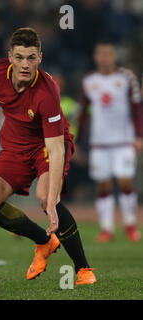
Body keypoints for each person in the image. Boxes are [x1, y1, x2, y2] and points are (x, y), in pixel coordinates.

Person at [0, 28, 96, 284]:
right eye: (19, 57)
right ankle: (44, 241)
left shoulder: (47, 92)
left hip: (47, 146)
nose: (25, 64)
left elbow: (56, 148)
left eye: (31, 58)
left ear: (40, 58)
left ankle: (83, 269)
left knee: (47, 197)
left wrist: (51, 200)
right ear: (10, 57)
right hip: (14, 147)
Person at [77, 41, 142, 243]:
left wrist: (139, 136)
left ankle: (130, 225)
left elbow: (137, 108)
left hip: (123, 140)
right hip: (99, 142)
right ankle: (106, 228)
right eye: (101, 54)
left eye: (108, 53)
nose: (104, 57)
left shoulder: (126, 77)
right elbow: (83, 115)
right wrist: (77, 142)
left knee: (124, 180)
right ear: (96, 57)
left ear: (114, 56)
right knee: (103, 185)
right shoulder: (89, 81)